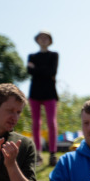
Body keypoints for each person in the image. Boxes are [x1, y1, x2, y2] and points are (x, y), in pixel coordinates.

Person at [26, 30, 59, 165]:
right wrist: (43, 71)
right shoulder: (32, 56)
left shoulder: (54, 55)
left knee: (51, 122)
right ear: (37, 40)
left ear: (50, 40)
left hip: (50, 93)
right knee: (36, 123)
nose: (43, 39)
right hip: (35, 93)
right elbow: (30, 71)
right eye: (41, 37)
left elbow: (52, 71)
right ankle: (37, 153)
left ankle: (52, 153)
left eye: (46, 37)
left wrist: (37, 69)